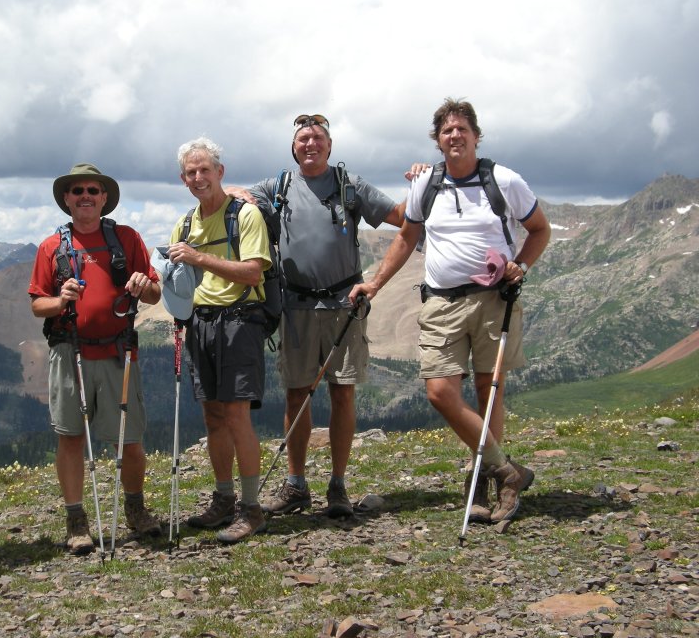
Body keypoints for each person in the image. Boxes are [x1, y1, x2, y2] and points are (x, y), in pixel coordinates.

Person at [351, 98, 551, 523]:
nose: (455, 136)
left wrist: (523, 265)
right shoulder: (426, 185)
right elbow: (406, 238)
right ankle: (507, 471)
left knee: (487, 389)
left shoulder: (504, 180)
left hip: (495, 298)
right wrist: (376, 283)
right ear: (437, 141)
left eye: (462, 129)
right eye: (447, 131)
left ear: (476, 136)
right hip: (442, 301)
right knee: (440, 392)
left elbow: (539, 229)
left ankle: (483, 480)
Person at [236, 114, 404, 519]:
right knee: (297, 392)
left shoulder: (350, 186)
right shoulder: (276, 188)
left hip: (344, 304)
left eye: (317, 138)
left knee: (342, 391)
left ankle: (338, 485)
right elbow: (231, 199)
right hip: (295, 305)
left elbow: (403, 220)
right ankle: (296, 484)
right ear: (293, 148)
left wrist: (376, 281)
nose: (309, 144)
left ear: (329, 146)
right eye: (302, 139)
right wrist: (236, 191)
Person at [29, 163, 163, 554]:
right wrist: (62, 300)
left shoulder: (126, 238)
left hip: (119, 352)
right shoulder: (51, 248)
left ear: (104, 198)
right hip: (70, 353)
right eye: (77, 191)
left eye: (92, 190)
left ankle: (135, 510)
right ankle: (76, 520)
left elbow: (154, 294)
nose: (85, 196)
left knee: (130, 440)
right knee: (70, 437)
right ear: (66, 200)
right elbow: (39, 306)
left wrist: (144, 286)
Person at [167, 137, 272, 543]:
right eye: (191, 172)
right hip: (201, 323)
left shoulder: (244, 215)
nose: (198, 177)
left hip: (239, 321)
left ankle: (251, 508)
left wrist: (199, 258)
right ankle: (224, 499)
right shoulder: (185, 224)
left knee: (236, 415)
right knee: (213, 416)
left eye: (204, 170)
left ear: (220, 173)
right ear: (184, 178)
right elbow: (180, 279)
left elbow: (252, 272)